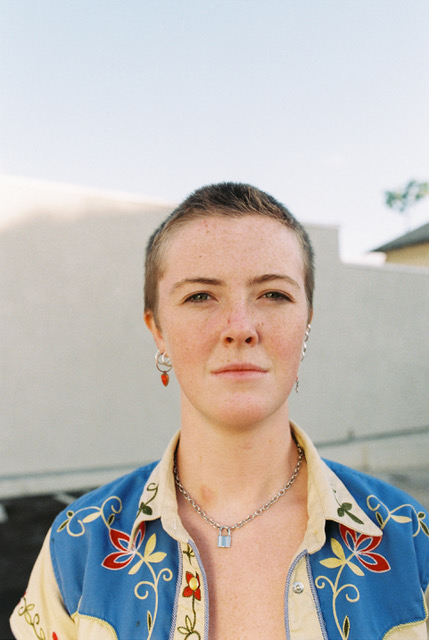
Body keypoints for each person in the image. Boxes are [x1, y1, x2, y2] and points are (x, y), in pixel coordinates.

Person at [11, 182, 429, 640]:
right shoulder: (78, 547)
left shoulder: (410, 540)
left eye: (273, 294)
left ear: (306, 322)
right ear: (158, 330)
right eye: (200, 296)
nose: (241, 328)